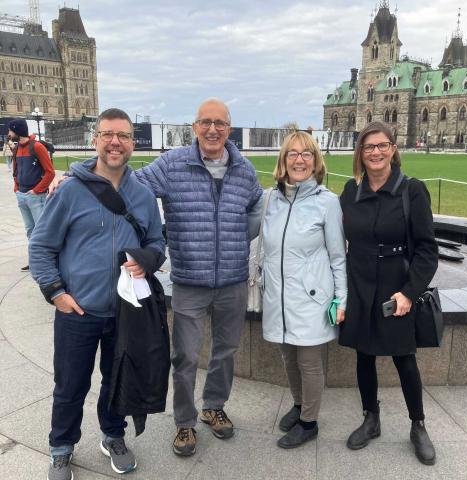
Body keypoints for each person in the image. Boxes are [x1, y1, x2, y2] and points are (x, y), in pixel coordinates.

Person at [29, 108, 166, 480]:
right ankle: (61, 447)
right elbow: (41, 246)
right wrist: (56, 292)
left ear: (132, 144)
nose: (115, 142)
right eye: (107, 134)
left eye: (122, 135)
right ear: (96, 140)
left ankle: (113, 435)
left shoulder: (142, 194)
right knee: (70, 384)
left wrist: (147, 260)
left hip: (125, 310)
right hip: (78, 310)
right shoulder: (71, 190)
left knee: (116, 379)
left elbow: (156, 241)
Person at [132, 98, 263, 456]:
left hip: (233, 280)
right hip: (190, 280)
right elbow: (129, 185)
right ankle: (185, 423)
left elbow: (257, 203)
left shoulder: (244, 169)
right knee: (186, 357)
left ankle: (213, 407)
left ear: (229, 129)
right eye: (205, 122)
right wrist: (78, 175)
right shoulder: (173, 164)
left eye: (219, 123)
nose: (212, 129)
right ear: (194, 128)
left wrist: (243, 235)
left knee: (226, 352)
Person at [338, 121, 438, 465]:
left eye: (382, 145)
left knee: (403, 357)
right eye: (369, 147)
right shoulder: (351, 192)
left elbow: (427, 250)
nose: (376, 152)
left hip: (397, 286)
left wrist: (409, 293)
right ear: (360, 154)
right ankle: (371, 418)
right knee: (364, 355)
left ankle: (418, 425)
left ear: (393, 149)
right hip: (360, 282)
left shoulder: (412, 191)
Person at [261, 131, 347, 448]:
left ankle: (309, 423)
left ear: (316, 161)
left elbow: (338, 257)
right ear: (283, 161)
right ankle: (299, 406)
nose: (299, 159)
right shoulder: (270, 200)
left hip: (312, 299)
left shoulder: (328, 203)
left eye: (306, 154)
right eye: (293, 154)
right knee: (288, 357)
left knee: (310, 362)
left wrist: (341, 299)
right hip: (278, 298)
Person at [7, 118, 55, 271]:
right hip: (22, 195)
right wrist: (16, 187)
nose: (8, 133)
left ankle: (47, 262)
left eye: (10, 130)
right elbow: (16, 171)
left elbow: (50, 172)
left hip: (36, 197)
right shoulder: (16, 149)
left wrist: (36, 190)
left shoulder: (37, 147)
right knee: (30, 231)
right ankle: (35, 260)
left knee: (42, 231)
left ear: (18, 131)